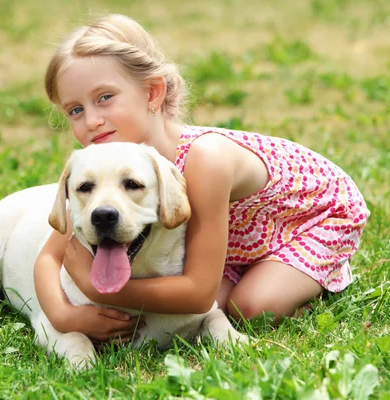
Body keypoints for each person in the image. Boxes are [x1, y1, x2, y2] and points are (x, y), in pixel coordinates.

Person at [33, 14, 369, 345]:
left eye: (104, 97)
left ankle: (322, 274)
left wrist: (96, 288)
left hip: (309, 216)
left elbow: (196, 295)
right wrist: (64, 316)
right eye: (75, 110)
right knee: (198, 306)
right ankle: (253, 270)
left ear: (152, 93)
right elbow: (50, 257)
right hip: (237, 237)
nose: (91, 120)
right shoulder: (111, 171)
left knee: (247, 307)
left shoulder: (205, 159)